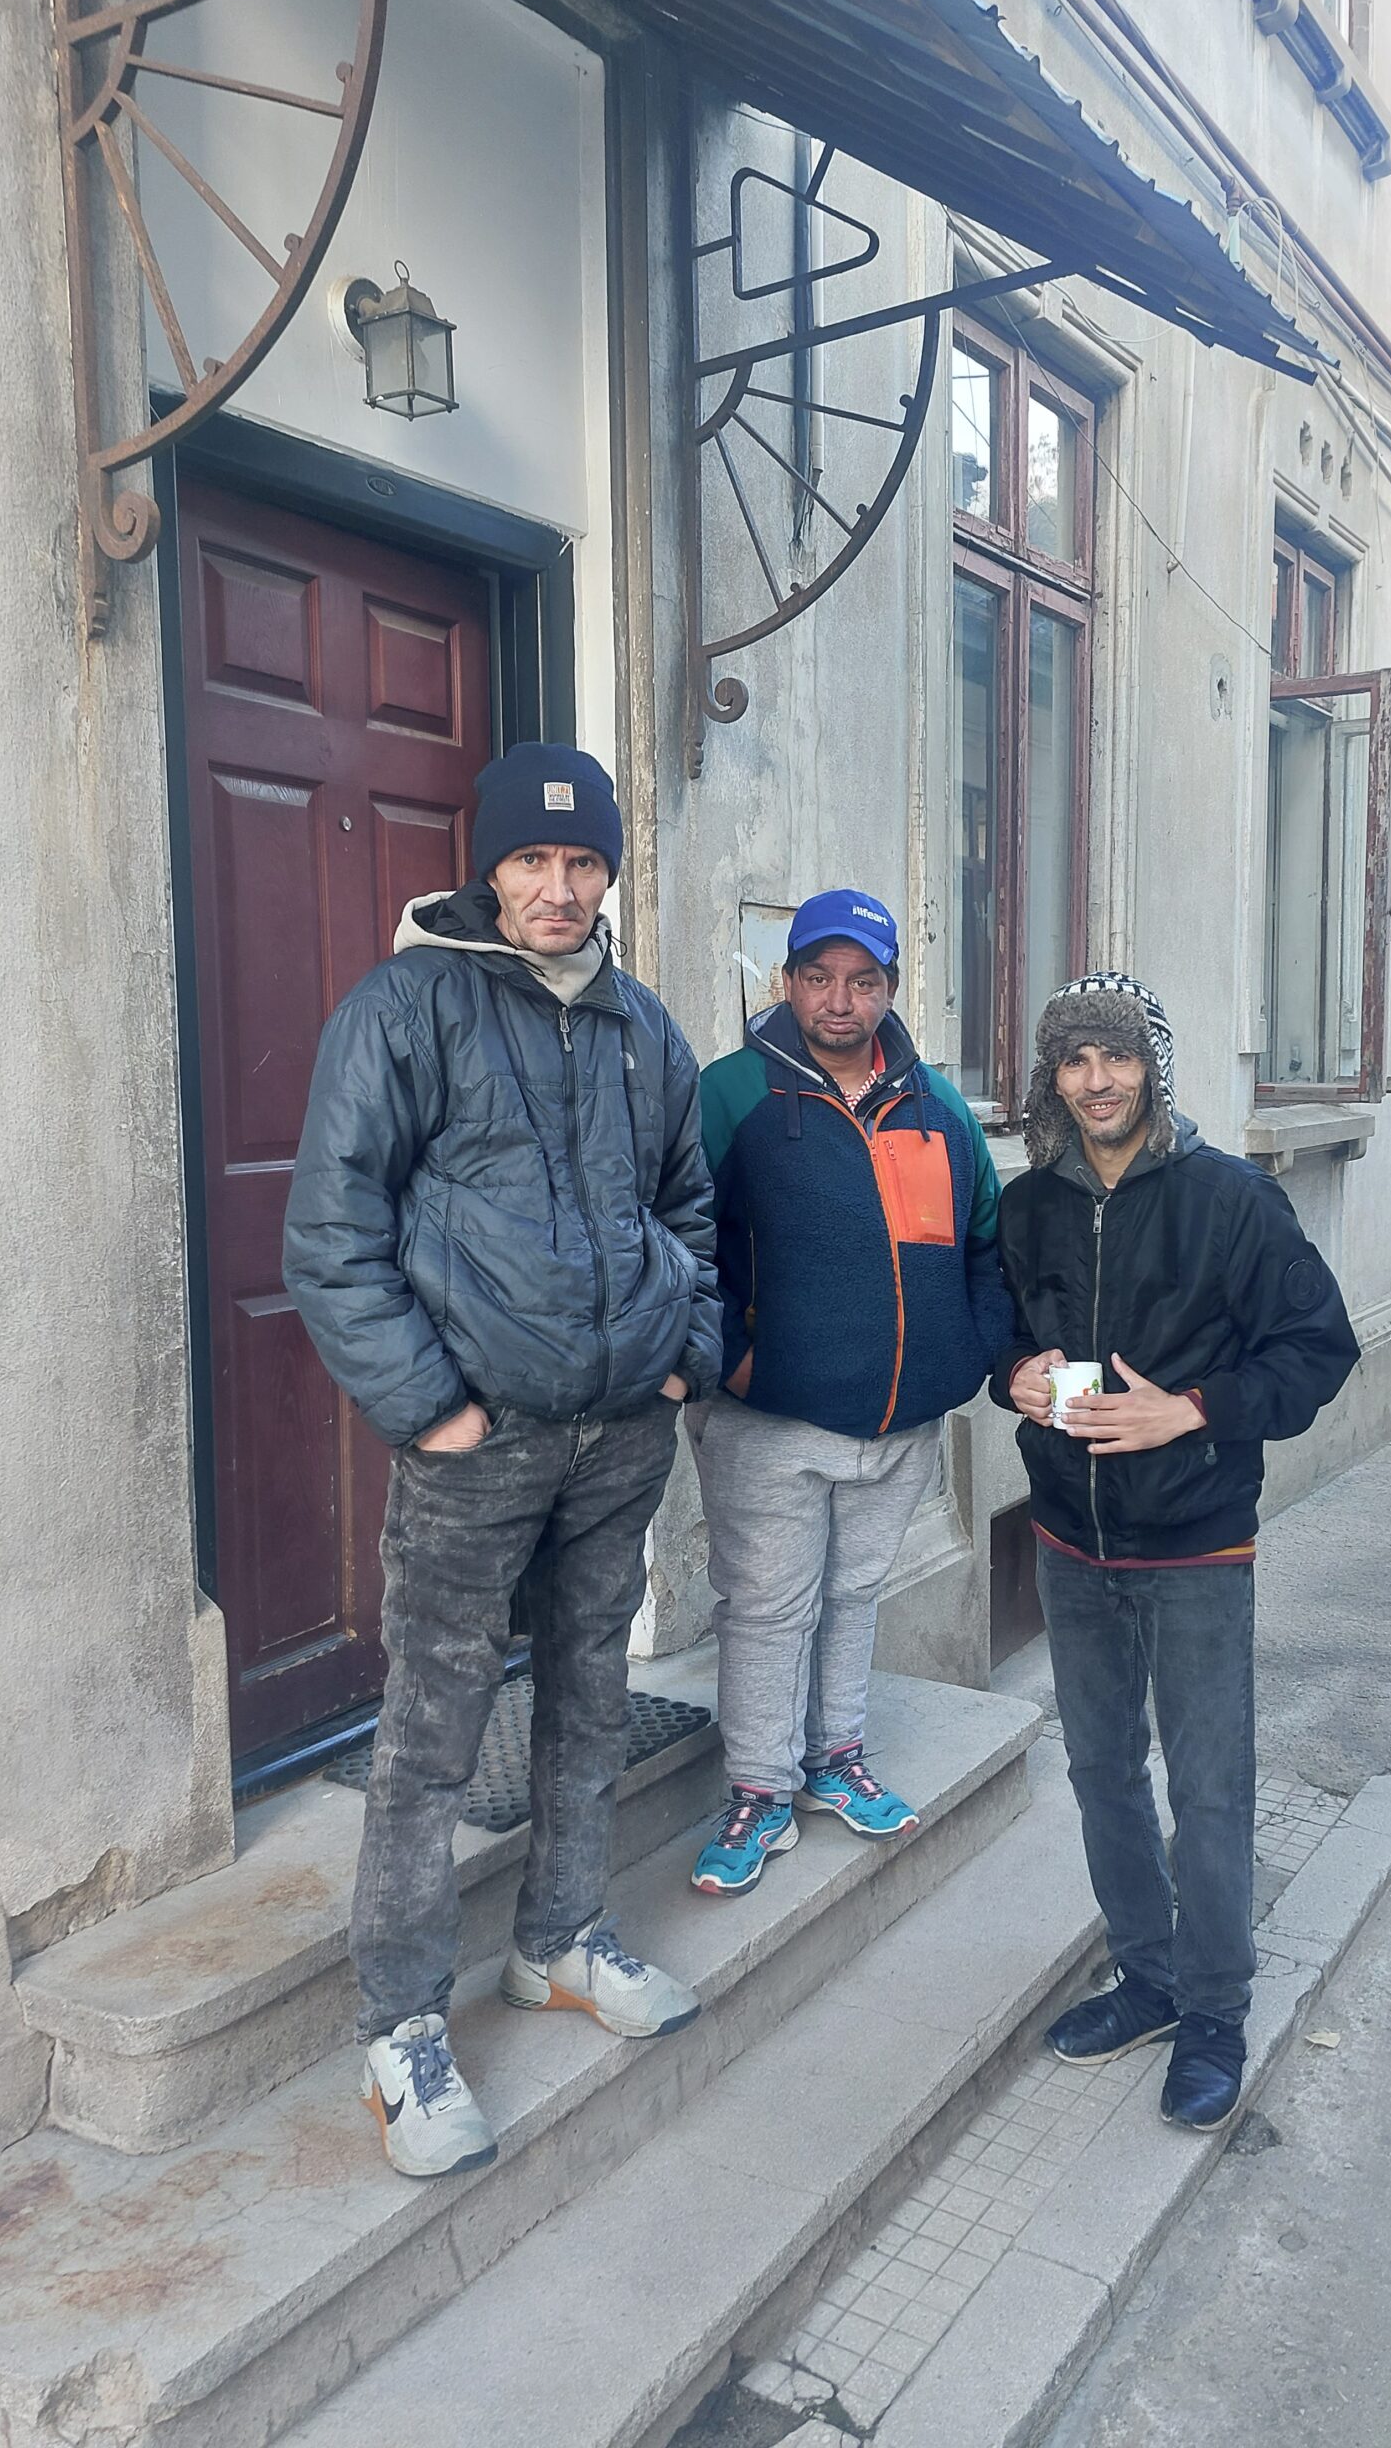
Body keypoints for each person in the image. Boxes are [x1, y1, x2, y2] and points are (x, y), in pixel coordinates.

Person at [283, 745, 723, 2178]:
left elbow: (692, 1212)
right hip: (478, 1445)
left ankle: (561, 1939)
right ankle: (403, 2027)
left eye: (582, 860)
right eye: (533, 858)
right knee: (431, 1735)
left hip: (619, 1435)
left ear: (607, 873)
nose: (558, 885)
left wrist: (680, 1357)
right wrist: (431, 1408)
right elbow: (332, 1232)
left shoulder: (644, 1029)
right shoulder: (406, 1007)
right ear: (491, 865)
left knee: (593, 1695)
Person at [992, 974, 1358, 2131]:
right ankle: (1146, 1978)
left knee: (1207, 1788)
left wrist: (1190, 1409)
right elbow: (997, 1327)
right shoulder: (1028, 1206)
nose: (1098, 1080)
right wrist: (1012, 1374)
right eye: (1075, 1060)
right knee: (1101, 1772)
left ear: (1152, 1063)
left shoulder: (1233, 1200)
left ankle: (1213, 2010)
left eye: (1118, 1056)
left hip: (1196, 1544)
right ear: (1051, 1077)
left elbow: (1318, 1349)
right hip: (1071, 1538)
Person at [685, 889, 1011, 1895]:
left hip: (902, 1420)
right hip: (770, 1420)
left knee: (854, 1593)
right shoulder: (730, 1093)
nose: (840, 1000)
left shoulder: (936, 1103)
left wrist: (967, 1352)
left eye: (863, 980)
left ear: (891, 988)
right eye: (819, 977)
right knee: (768, 1607)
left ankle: (835, 1759)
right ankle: (759, 1790)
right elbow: (677, 1242)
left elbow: (985, 1241)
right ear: (786, 982)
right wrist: (732, 1361)